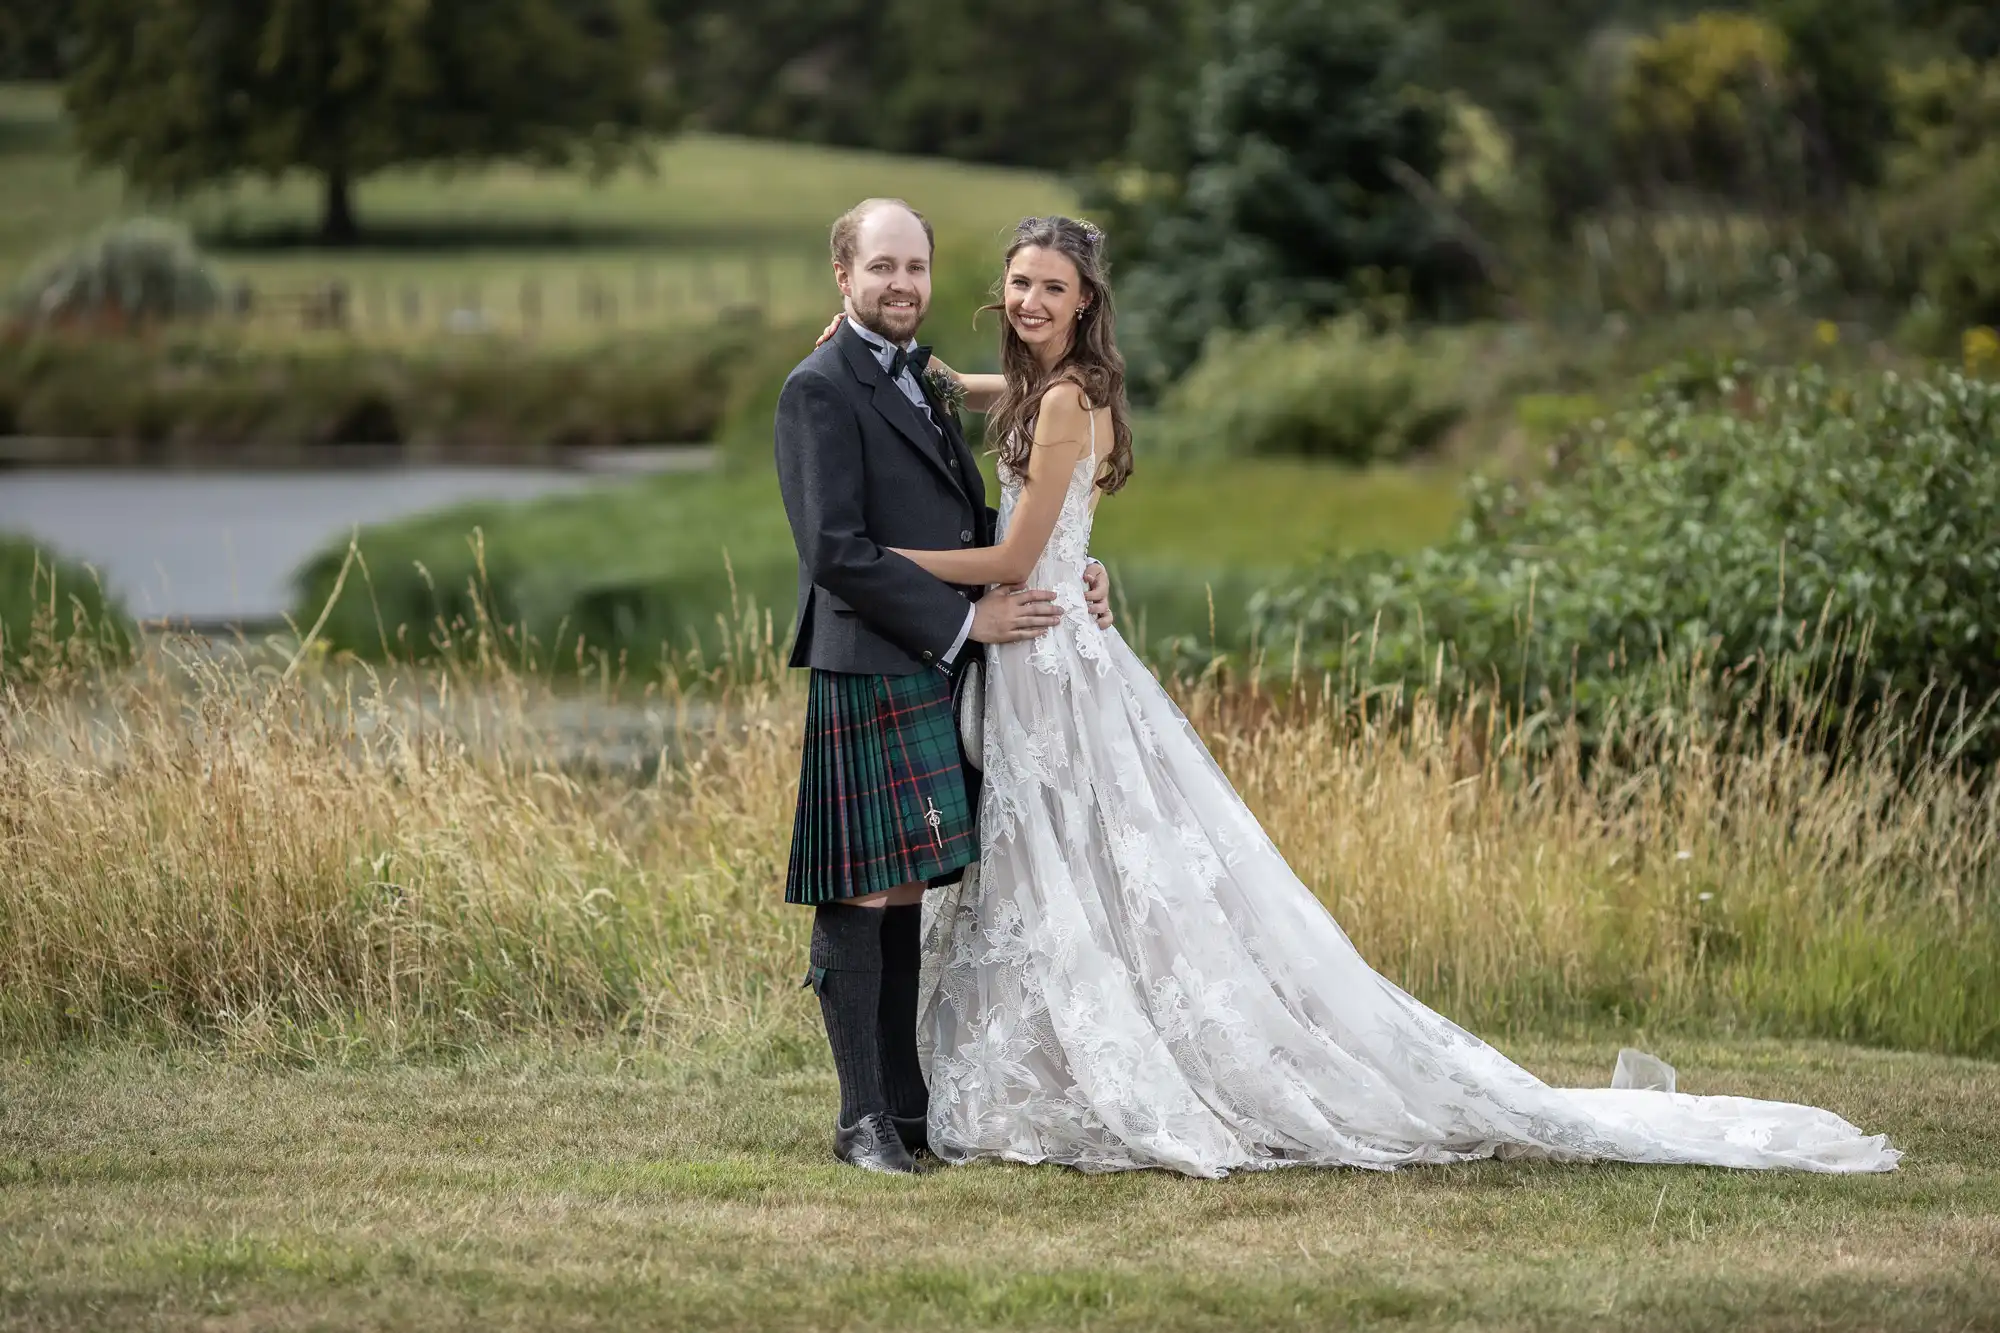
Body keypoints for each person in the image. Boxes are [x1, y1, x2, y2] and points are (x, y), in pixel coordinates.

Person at [880, 214, 1899, 1177]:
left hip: (1047, 657)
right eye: (1016, 282)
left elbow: (1018, 551)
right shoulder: (1042, 390)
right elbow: (979, 393)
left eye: (1050, 286)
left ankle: (1111, 1061)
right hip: (1042, 652)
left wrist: (885, 562)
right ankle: (1054, 1048)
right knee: (1053, 860)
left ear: (1084, 301)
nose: (1027, 299)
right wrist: (891, 352)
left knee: (1066, 856)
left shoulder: (1062, 402)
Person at [772, 198, 1114, 1175]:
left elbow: (983, 517)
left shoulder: (917, 377)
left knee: (910, 882)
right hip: (871, 656)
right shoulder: (818, 389)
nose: (900, 285)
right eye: (880, 267)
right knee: (861, 887)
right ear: (842, 275)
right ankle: (859, 1119)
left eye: (914, 268)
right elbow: (835, 553)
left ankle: (908, 1105)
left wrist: (1062, 569)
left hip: (930, 663)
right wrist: (969, 618)